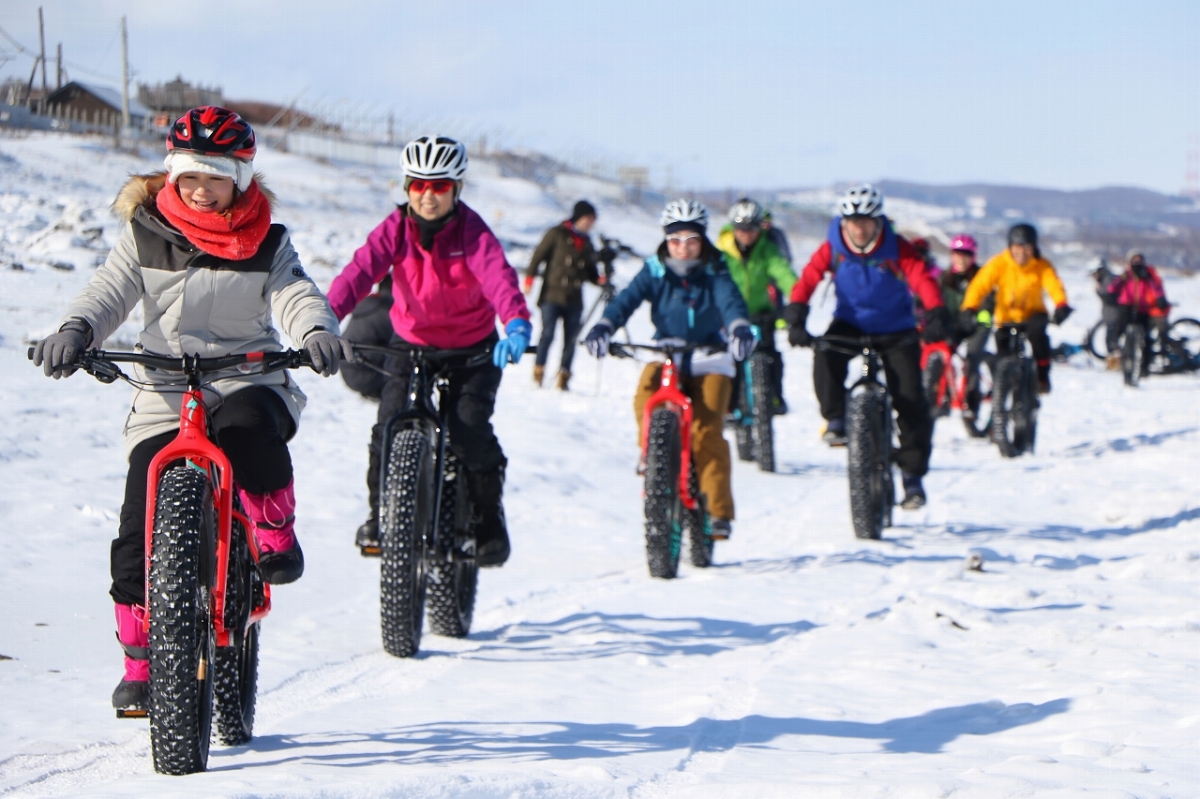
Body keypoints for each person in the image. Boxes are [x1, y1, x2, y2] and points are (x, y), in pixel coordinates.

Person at [30, 106, 350, 715]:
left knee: (250, 430)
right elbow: (108, 291)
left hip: (246, 376)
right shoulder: (145, 233)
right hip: (166, 389)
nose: (202, 190)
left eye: (216, 177)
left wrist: (315, 331)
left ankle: (272, 531)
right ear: (171, 176)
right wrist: (75, 329)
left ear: (242, 179)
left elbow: (295, 294)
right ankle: (140, 663)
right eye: (190, 177)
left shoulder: (270, 241)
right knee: (136, 523)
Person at [326, 135, 531, 567]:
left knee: (468, 427)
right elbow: (360, 271)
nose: (427, 195)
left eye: (438, 186)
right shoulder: (396, 228)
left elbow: (499, 278)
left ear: (456, 189)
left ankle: (487, 519)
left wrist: (515, 324)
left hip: (473, 348)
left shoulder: (473, 232)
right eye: (418, 185)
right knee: (389, 424)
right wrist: (323, 319)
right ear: (406, 188)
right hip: (413, 342)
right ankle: (381, 515)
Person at [583, 199, 755, 541]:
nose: (683, 247)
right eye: (676, 240)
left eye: (691, 239)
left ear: (703, 240)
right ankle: (652, 454)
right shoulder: (655, 269)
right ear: (666, 240)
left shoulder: (715, 268)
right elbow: (626, 300)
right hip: (668, 352)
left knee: (707, 431)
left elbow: (730, 301)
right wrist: (604, 326)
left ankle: (718, 511)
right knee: (646, 391)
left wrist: (738, 328)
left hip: (711, 356)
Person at [783, 184, 947, 510]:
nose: (859, 228)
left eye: (866, 221)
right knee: (825, 353)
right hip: (850, 323)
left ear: (878, 222)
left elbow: (921, 280)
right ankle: (836, 419)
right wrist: (797, 313)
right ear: (843, 223)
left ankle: (912, 476)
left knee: (911, 399)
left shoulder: (897, 248)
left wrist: (936, 313)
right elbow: (809, 277)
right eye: (853, 221)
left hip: (896, 328)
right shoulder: (834, 248)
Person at [959, 223, 1072, 394]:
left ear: (1033, 247)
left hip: (1033, 314)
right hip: (1006, 318)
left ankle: (1042, 375)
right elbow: (979, 286)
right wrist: (969, 307)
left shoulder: (1041, 265)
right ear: (1010, 246)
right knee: (1003, 355)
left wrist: (1061, 304)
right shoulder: (999, 263)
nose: (1022, 252)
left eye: (1027, 247)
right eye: (1017, 247)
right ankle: (1006, 389)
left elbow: (1054, 285)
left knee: (1038, 337)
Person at [716, 197, 797, 413]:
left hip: (761, 313)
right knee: (728, 359)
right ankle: (729, 406)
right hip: (730, 315)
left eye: (752, 227)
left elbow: (783, 273)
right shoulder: (720, 251)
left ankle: (775, 397)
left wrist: (797, 299)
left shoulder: (767, 248)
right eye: (741, 227)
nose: (747, 233)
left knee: (771, 355)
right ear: (733, 227)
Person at [522, 200, 603, 391]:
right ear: (578, 217)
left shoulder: (588, 242)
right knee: (548, 334)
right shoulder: (557, 234)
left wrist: (601, 279)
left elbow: (591, 272)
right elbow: (538, 256)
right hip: (552, 295)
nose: (589, 223)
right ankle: (539, 370)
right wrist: (530, 278)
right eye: (587, 219)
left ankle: (564, 375)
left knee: (571, 339)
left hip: (574, 299)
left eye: (592, 220)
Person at [939, 234, 993, 419]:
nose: (961, 258)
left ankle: (972, 402)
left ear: (973, 256)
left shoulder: (981, 276)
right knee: (941, 351)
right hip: (956, 324)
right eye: (957, 254)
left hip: (978, 325)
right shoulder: (945, 278)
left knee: (972, 357)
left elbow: (988, 302)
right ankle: (941, 396)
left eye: (965, 254)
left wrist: (981, 320)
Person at [1104, 250, 1169, 370]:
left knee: (1145, 337)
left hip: (1143, 308)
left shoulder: (1147, 275)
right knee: (1118, 331)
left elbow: (1156, 288)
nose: (1137, 263)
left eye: (1140, 260)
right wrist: (1110, 293)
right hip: (1126, 307)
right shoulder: (1126, 275)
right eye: (1135, 260)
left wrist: (1160, 299)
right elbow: (1115, 285)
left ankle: (1144, 365)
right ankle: (1117, 357)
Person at [339, 275, 394, 400]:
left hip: (349, 370)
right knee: (404, 363)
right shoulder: (384, 311)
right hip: (363, 374)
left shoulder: (369, 305)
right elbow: (403, 341)